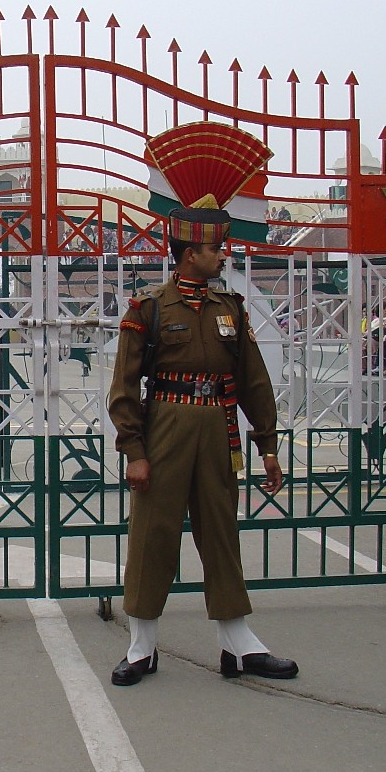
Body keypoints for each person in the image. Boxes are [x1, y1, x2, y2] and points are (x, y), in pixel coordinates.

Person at [108, 120, 296, 686]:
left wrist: (268, 446)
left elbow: (255, 381)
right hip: (165, 425)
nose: (224, 255)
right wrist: (134, 451)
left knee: (221, 530)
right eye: (217, 247)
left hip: (219, 428)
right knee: (153, 534)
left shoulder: (231, 308)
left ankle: (238, 645)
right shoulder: (148, 309)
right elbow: (123, 390)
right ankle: (141, 646)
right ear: (190, 253)